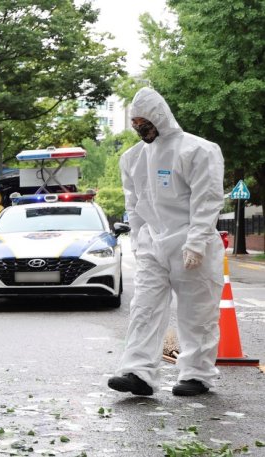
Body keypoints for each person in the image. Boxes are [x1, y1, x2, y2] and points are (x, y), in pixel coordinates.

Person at [107, 87, 225, 397]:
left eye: (145, 123)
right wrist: (138, 239)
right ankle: (138, 372)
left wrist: (197, 242)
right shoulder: (132, 159)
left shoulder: (199, 150)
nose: (140, 130)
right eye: (135, 124)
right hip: (153, 245)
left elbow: (207, 200)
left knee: (197, 313)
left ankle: (197, 375)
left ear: (160, 117)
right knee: (144, 308)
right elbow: (134, 204)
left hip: (190, 243)